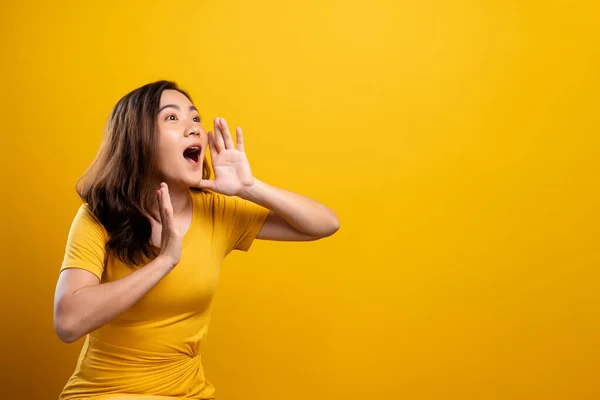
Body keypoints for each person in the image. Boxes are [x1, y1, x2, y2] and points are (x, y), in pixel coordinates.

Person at [53, 80, 340, 400]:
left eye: (195, 118)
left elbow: (323, 224)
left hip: (189, 393)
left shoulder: (216, 210)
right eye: (172, 118)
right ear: (138, 139)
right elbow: (68, 322)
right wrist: (164, 262)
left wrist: (249, 187)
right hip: (107, 393)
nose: (193, 128)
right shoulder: (99, 217)